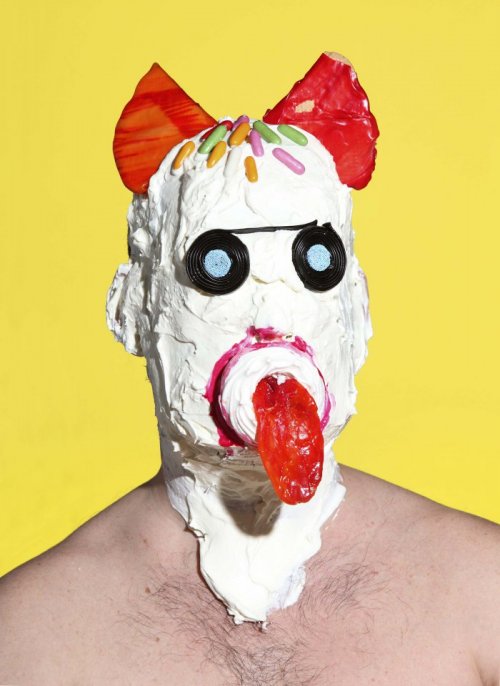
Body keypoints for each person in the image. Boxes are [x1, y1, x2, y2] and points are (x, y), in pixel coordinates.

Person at [1, 55, 499, 685]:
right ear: (133, 311)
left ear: (358, 309)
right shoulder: (27, 639)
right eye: (217, 267)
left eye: (315, 263)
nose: (271, 312)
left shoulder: (482, 596)